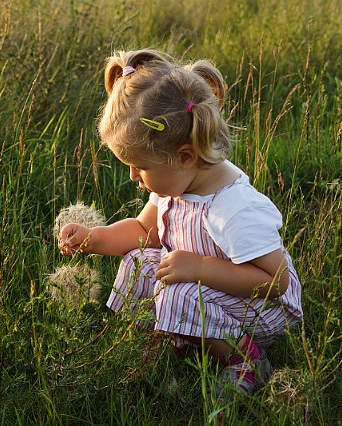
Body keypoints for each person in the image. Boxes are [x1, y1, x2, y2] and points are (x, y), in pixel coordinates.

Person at [58, 49, 302, 397]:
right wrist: (93, 239)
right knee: (138, 262)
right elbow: (144, 232)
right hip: (214, 291)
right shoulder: (176, 183)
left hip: (261, 310)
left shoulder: (233, 208)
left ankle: (245, 361)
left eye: (139, 167)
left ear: (185, 156)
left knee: (179, 292)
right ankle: (151, 342)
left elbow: (276, 282)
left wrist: (198, 267)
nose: (133, 178)